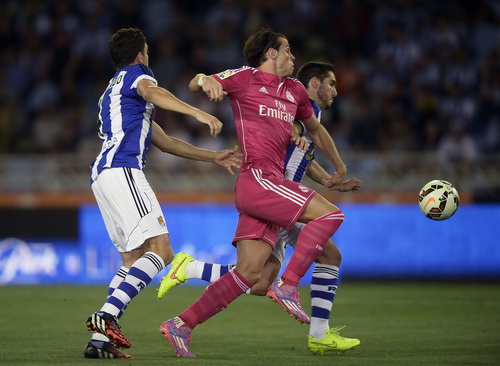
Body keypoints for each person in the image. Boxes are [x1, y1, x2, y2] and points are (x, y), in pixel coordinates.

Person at [159, 27, 352, 358]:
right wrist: (206, 80)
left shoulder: (294, 91)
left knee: (250, 276)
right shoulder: (244, 78)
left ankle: (181, 323)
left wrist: (339, 167)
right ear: (271, 54)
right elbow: (197, 81)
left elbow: (316, 131)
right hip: (258, 178)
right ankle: (289, 284)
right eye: (288, 50)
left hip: (269, 187)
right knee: (332, 214)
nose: (293, 56)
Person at [83, 28, 241, 359]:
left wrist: (212, 156)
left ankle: (100, 340)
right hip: (123, 169)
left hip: (102, 175)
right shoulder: (137, 76)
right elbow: (151, 91)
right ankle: (107, 317)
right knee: (163, 251)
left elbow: (165, 142)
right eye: (148, 53)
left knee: (133, 259)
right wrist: (196, 111)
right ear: (140, 55)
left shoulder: (113, 92)